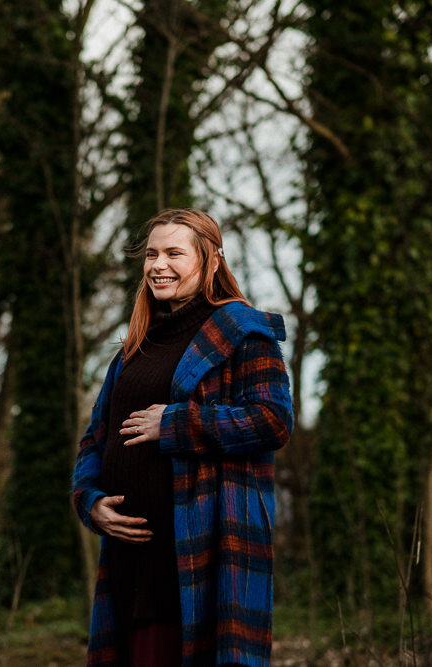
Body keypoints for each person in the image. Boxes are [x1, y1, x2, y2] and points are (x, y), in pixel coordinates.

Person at [72, 209, 292, 666]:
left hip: (202, 550)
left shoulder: (243, 333)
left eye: (174, 253)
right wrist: (90, 501)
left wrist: (174, 424)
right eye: (151, 254)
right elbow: (96, 437)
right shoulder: (135, 345)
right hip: (131, 560)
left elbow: (272, 420)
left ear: (211, 261)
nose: (158, 265)